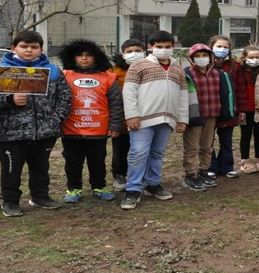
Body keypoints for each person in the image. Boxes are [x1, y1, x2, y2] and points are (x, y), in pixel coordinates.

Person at [0, 31, 72, 217]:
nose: (29, 50)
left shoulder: (53, 71)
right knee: (11, 169)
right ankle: (10, 201)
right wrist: (9, 100)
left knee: (41, 167)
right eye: (24, 46)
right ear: (14, 48)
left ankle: (40, 196)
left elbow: (65, 97)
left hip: (44, 132)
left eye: (34, 47)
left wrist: (56, 119)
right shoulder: (1, 70)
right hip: (12, 133)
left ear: (41, 49)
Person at [121, 30, 188, 210]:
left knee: (158, 153)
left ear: (173, 47)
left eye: (167, 47)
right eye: (159, 47)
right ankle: (133, 189)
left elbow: (183, 95)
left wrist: (182, 119)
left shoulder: (177, 68)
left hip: (167, 119)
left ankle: (153, 183)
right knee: (138, 153)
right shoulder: (139, 66)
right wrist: (132, 115)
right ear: (150, 47)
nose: (163, 50)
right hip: (142, 119)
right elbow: (129, 92)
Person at [59, 39, 123, 203]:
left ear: (97, 57)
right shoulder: (64, 75)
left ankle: (99, 186)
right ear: (73, 58)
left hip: (98, 131)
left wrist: (115, 125)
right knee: (72, 163)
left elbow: (116, 103)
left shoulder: (108, 78)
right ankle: (74, 189)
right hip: (71, 130)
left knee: (98, 162)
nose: (84, 59)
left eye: (89, 55)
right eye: (80, 55)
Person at [182, 44, 224, 192]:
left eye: (204, 55)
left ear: (211, 57)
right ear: (191, 58)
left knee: (207, 146)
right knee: (192, 147)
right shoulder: (187, 74)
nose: (201, 59)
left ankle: (204, 171)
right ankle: (190, 174)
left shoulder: (217, 74)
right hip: (194, 116)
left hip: (211, 114)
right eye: (197, 56)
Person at [208, 35, 248, 178]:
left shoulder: (234, 66)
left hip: (229, 109)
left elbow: (240, 88)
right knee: (208, 141)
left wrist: (241, 109)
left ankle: (227, 166)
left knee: (226, 140)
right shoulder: (205, 64)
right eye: (219, 46)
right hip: (210, 108)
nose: (222, 49)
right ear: (211, 47)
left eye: (225, 47)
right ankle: (210, 166)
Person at [110, 39, 146, 192]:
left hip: (144, 116)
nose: (134, 54)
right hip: (121, 117)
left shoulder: (149, 68)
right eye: (129, 51)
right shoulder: (114, 71)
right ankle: (119, 175)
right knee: (120, 149)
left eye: (138, 51)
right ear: (123, 54)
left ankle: (141, 175)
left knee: (141, 150)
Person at [237, 46, 259, 173]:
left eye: (257, 57)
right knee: (245, 135)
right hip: (245, 109)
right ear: (244, 58)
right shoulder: (240, 71)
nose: (254, 59)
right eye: (251, 57)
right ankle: (244, 160)